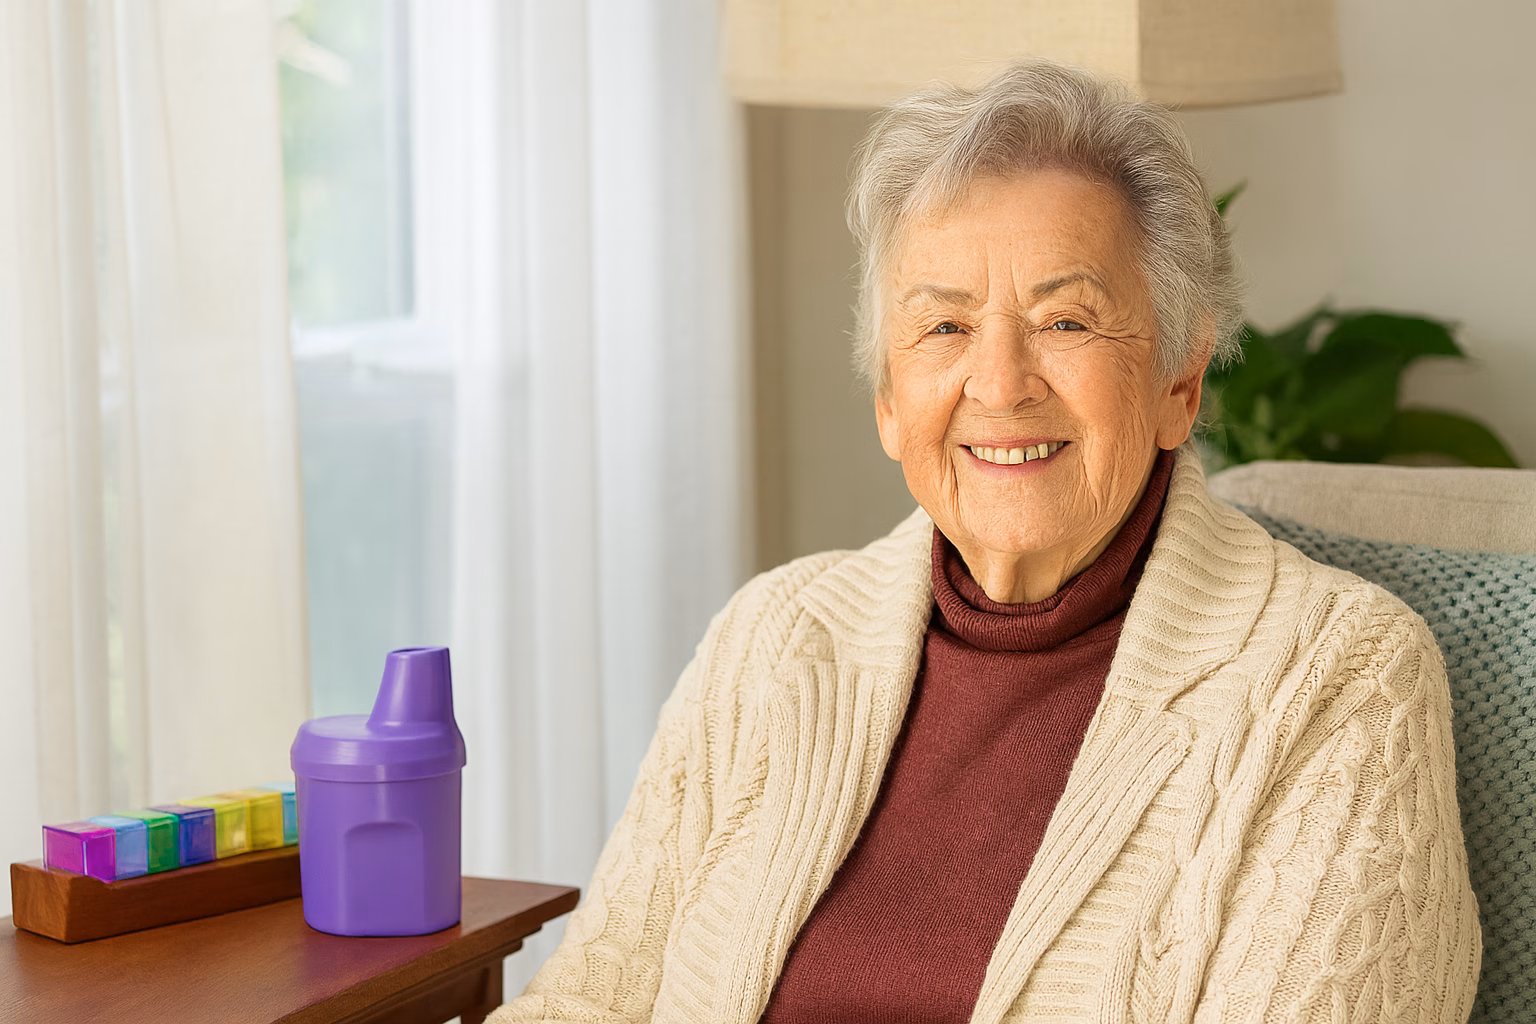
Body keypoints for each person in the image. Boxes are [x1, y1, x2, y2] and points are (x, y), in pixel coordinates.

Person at [490, 59, 1480, 1023]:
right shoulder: (770, 640)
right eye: (946, 329)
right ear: (888, 398)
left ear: (1182, 380)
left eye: (1066, 320)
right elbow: (592, 999)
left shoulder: (1337, 677)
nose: (1001, 384)